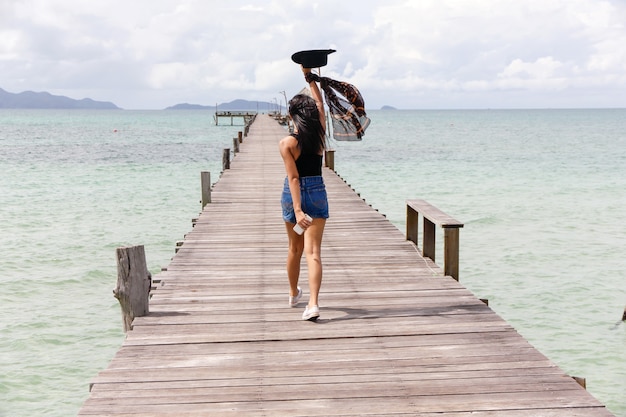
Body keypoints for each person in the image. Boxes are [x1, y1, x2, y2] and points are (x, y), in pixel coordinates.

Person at [279, 66, 329, 321]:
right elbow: (321, 107)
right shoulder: (320, 135)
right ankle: (313, 303)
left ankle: (292, 293)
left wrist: (298, 210)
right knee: (313, 252)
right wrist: (309, 78)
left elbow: (294, 177)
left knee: (294, 248)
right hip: (317, 192)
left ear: (292, 116)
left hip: (294, 197)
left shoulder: (288, 144)